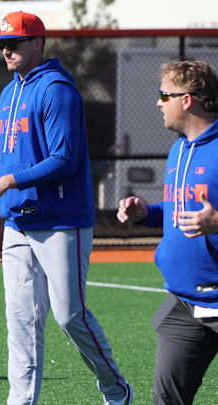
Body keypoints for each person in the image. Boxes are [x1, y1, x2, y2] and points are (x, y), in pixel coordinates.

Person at [0, 11, 132, 405]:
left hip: (61, 222)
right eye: (2, 44)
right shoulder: (9, 94)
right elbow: (11, 159)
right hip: (17, 224)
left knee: (69, 316)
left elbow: (65, 159)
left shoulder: (57, 89)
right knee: (21, 321)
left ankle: (115, 388)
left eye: (14, 42)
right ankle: (21, 401)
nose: (6, 50)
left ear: (38, 43)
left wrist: (7, 184)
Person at [117, 59, 218, 405]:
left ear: (187, 99)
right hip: (186, 304)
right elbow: (178, 209)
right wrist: (146, 213)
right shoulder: (179, 149)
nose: (158, 102)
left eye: (164, 94)